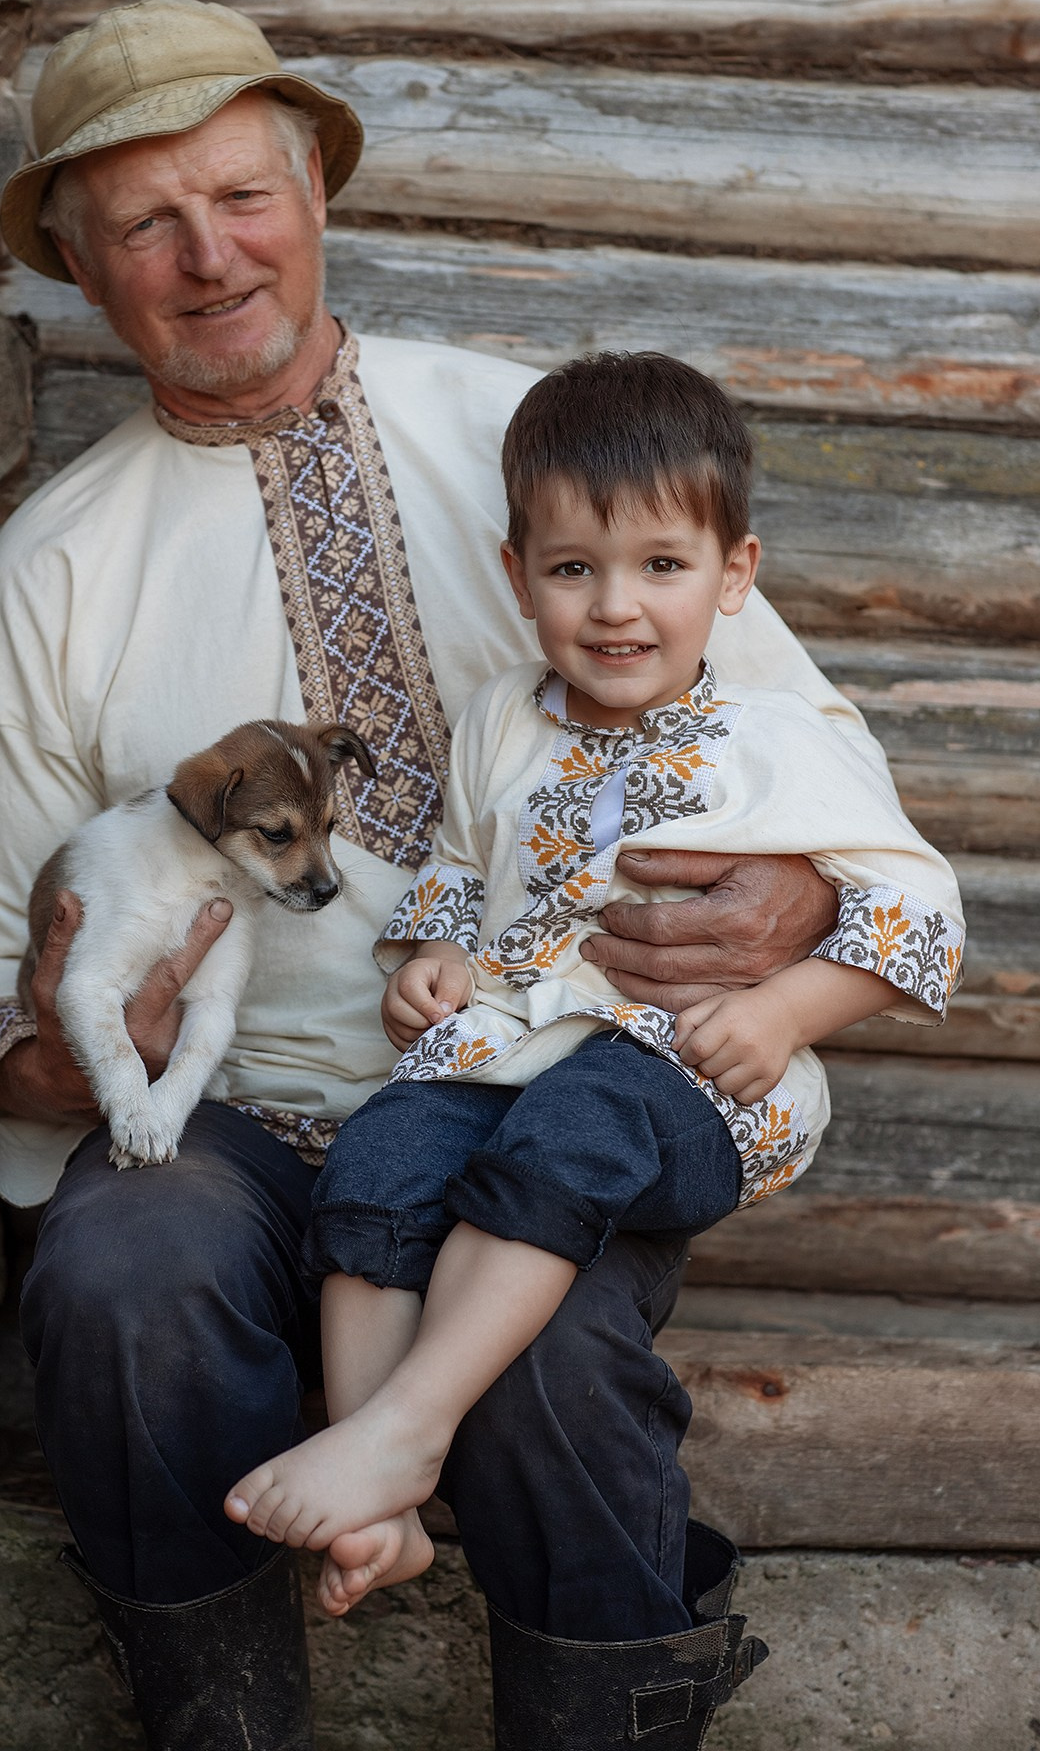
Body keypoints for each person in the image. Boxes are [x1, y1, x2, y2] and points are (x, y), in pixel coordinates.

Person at [0, 0, 907, 1750]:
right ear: (79, 266)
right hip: (224, 1113)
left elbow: (811, 757)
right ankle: (222, 1721)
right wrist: (76, 1047)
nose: (208, 255)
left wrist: (803, 914)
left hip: (536, 1085)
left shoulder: (534, 444)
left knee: (552, 1362)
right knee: (120, 1280)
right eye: (145, 222)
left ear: (315, 195)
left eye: (240, 195)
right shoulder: (57, 565)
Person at [221, 351, 963, 1627]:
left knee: (574, 1127)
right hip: (515, 1042)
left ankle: (409, 1424)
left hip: (692, 1081)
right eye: (573, 569)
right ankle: (381, 1502)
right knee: (386, 1145)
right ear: (517, 577)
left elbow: (921, 915)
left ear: (734, 574)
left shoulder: (774, 740)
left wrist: (784, 1011)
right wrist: (433, 964)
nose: (615, 608)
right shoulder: (506, 718)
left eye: (661, 566)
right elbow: (464, 865)